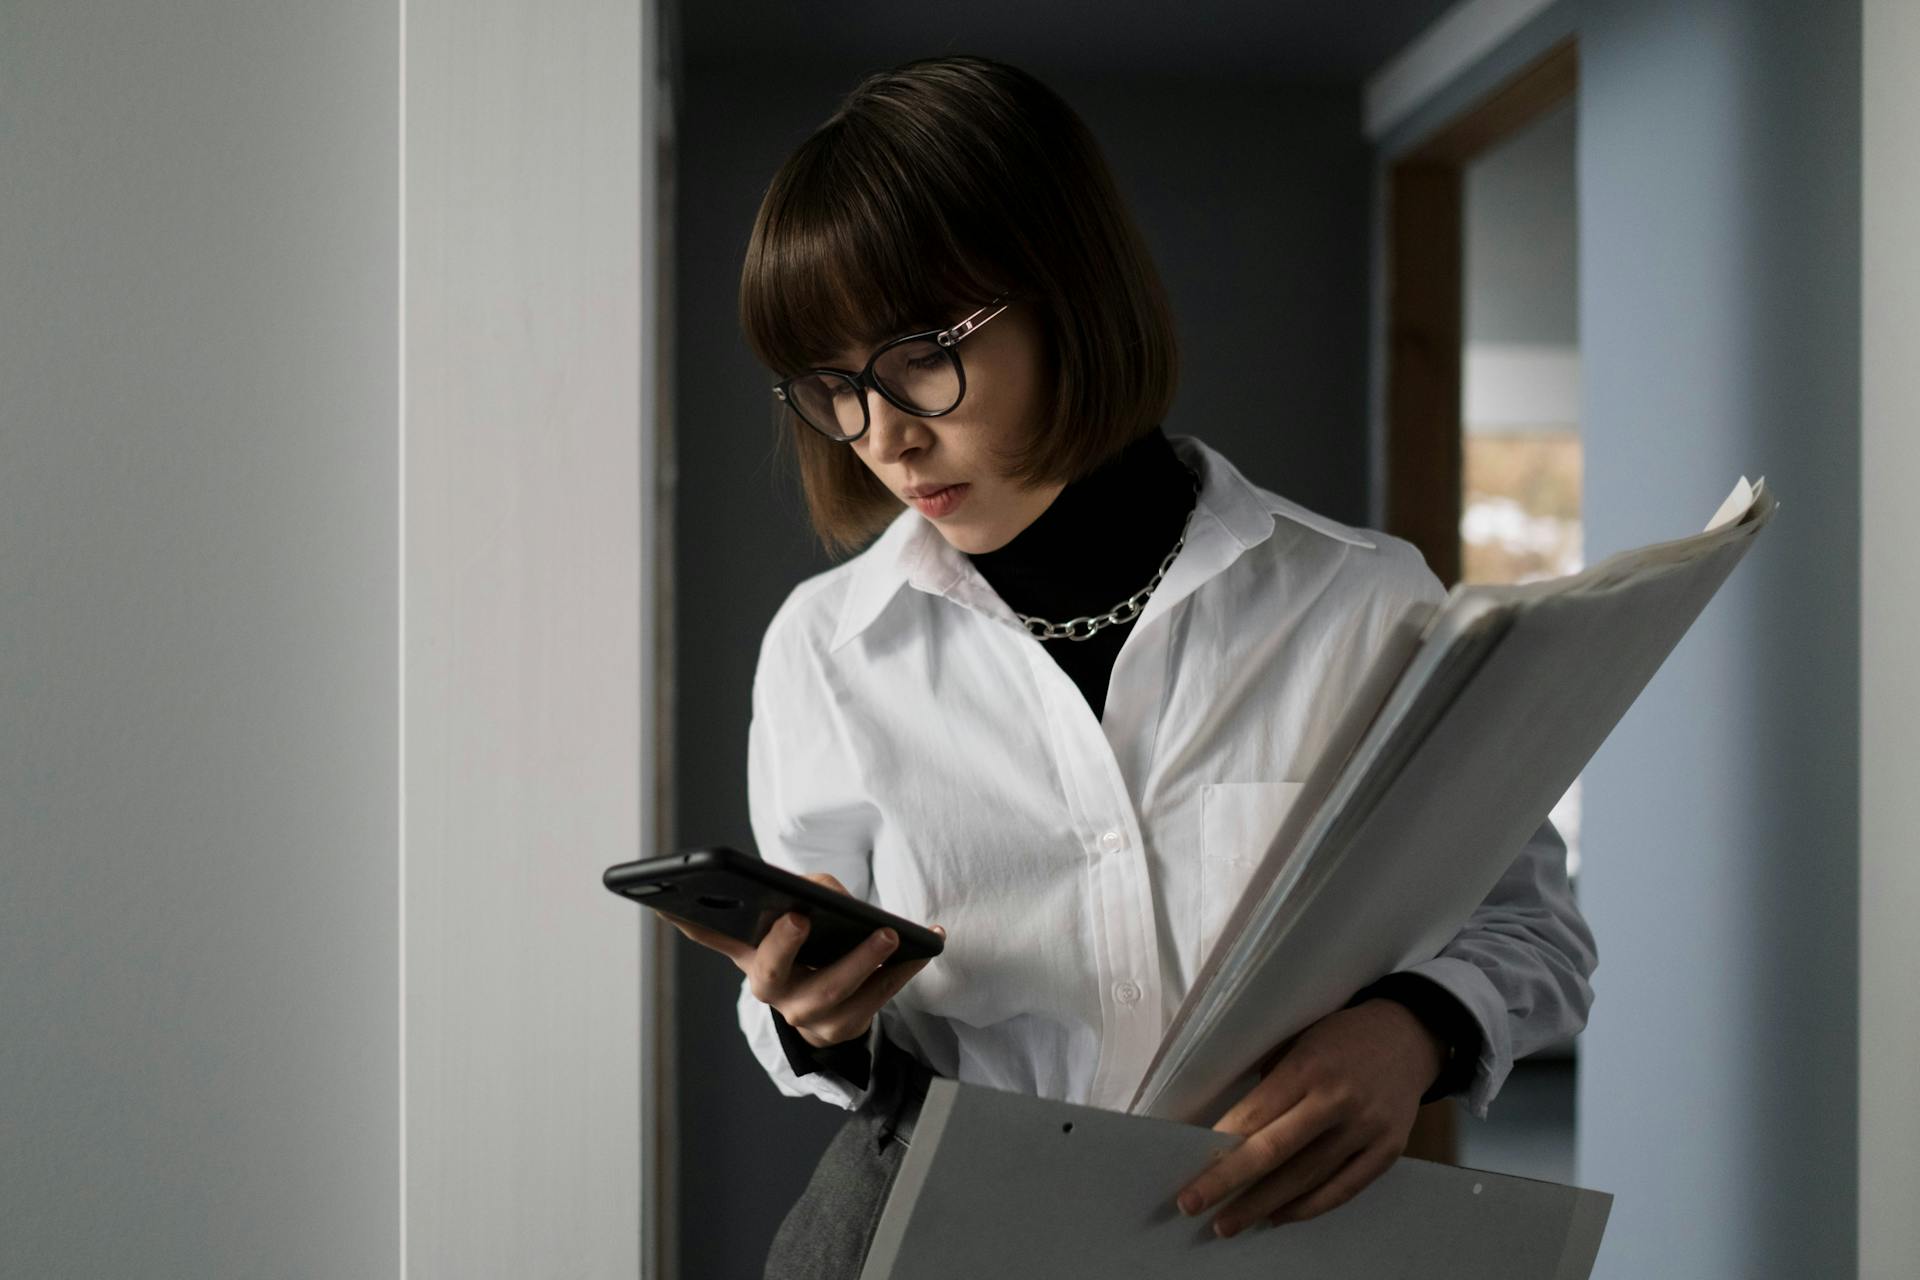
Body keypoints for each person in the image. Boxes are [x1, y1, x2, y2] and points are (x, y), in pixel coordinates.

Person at [660, 53, 1597, 1278]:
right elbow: (846, 1048)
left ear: (1070, 292)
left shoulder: (1360, 602)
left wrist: (1412, 1031)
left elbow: (1534, 929)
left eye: (919, 355)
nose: (884, 434)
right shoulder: (828, 650)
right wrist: (816, 1017)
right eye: (833, 388)